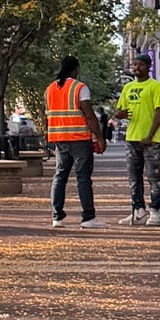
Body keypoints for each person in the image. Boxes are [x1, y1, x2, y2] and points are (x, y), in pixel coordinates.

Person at [45, 56, 102, 229]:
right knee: (83, 177)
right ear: (76, 69)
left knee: (60, 176)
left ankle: (57, 217)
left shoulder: (50, 89)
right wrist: (99, 136)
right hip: (79, 138)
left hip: (59, 139)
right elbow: (89, 115)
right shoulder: (79, 88)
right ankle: (88, 218)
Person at [119, 54, 160, 226]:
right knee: (133, 177)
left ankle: (156, 212)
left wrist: (150, 136)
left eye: (140, 65)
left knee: (154, 177)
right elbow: (121, 110)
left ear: (148, 66)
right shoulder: (128, 87)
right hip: (132, 138)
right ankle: (138, 211)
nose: (136, 67)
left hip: (151, 140)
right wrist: (119, 114)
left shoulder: (156, 86)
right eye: (134, 64)